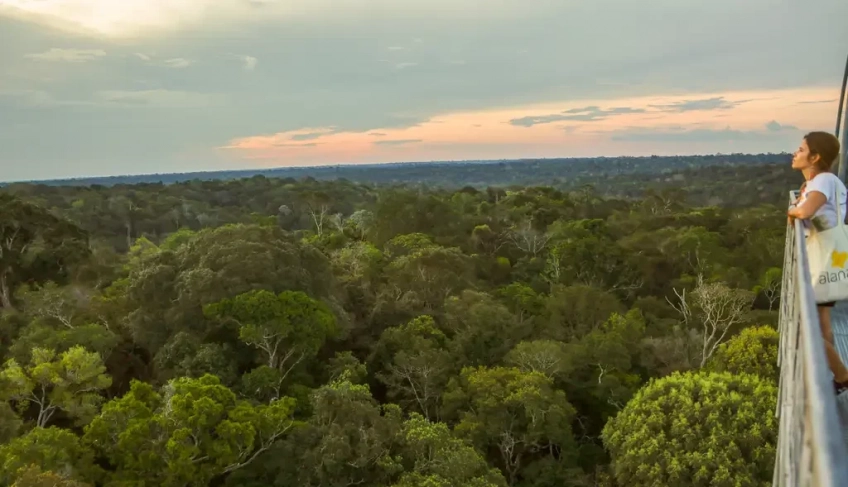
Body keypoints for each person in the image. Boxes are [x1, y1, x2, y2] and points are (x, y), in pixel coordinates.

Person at [787, 131, 848, 394]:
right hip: (830, 256)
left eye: (801, 150)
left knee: (808, 326)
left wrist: (793, 209)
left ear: (816, 156)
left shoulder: (822, 181)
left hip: (822, 260)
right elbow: (826, 219)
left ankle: (843, 376)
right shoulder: (824, 181)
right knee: (822, 323)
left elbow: (807, 212)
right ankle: (834, 378)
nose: (795, 153)